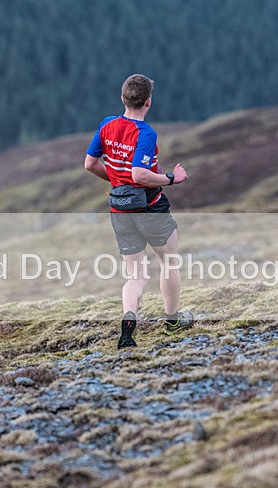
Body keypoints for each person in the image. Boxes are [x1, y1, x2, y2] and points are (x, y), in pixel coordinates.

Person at [84, 74, 194, 348]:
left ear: (122, 98)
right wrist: (172, 179)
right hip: (150, 207)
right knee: (169, 263)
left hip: (120, 210)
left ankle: (129, 323)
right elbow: (140, 174)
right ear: (148, 102)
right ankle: (172, 323)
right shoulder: (146, 133)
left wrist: (117, 183)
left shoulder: (107, 125)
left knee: (136, 275)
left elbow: (90, 164)